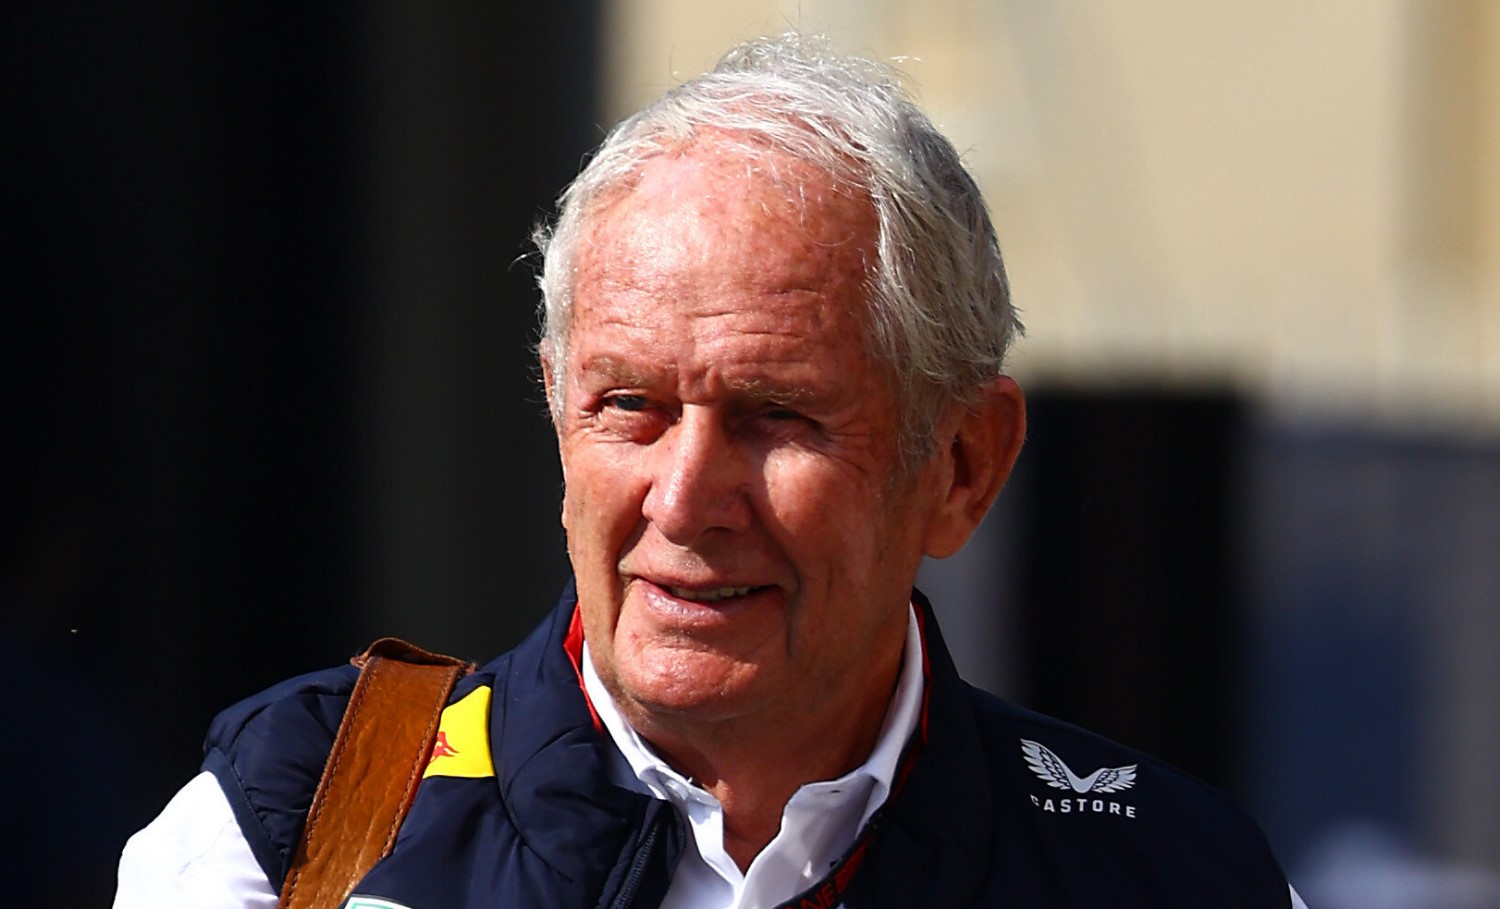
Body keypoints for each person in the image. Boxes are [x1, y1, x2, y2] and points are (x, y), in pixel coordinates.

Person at [115, 33, 1307, 909]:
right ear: (555, 410)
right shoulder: (290, 827)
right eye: (629, 406)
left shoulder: (1173, 873)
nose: (684, 498)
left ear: (962, 463)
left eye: (777, 415)